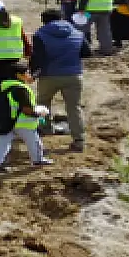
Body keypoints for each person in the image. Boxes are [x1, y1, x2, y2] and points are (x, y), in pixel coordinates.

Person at [29, 9, 91, 151]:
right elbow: (87, 52)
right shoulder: (77, 32)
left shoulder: (40, 34)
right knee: (74, 107)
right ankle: (79, 140)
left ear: (44, 20)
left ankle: (44, 128)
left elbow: (37, 57)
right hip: (73, 76)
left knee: (42, 104)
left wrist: (33, 73)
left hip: (48, 76)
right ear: (61, 18)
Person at [0, 62, 53, 173]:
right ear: (19, 75)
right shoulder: (22, 89)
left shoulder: (2, 87)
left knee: (2, 143)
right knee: (34, 142)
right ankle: (38, 160)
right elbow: (27, 110)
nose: (29, 75)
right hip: (24, 122)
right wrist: (40, 113)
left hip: (6, 122)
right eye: (27, 72)